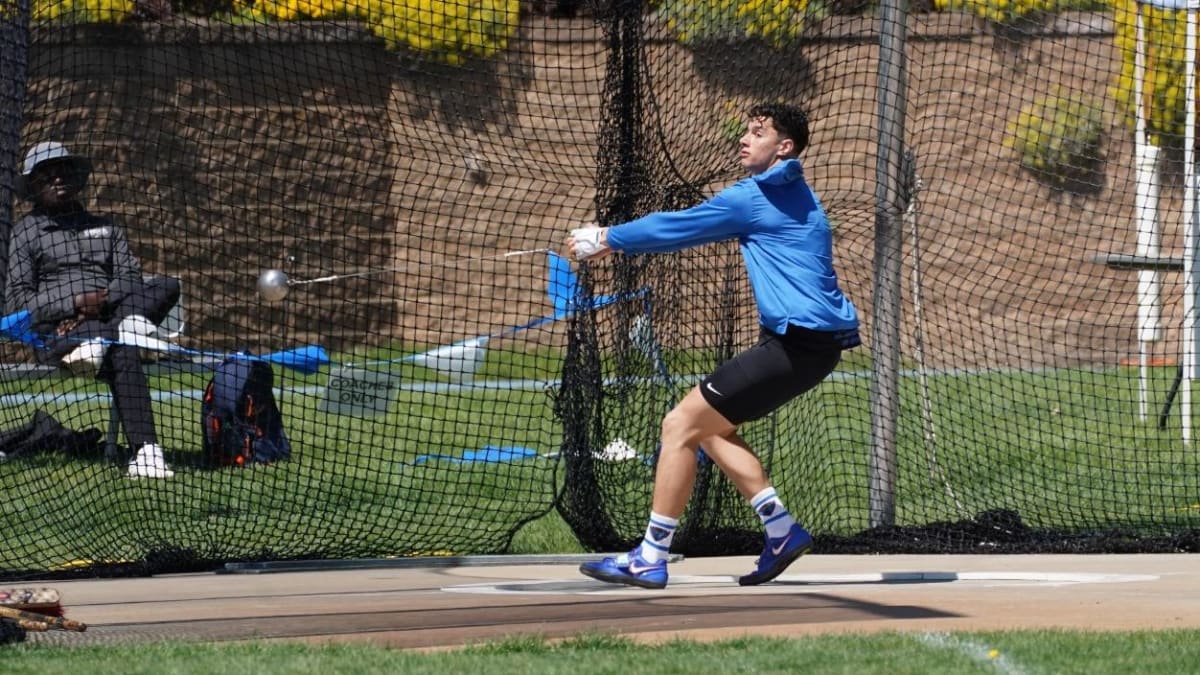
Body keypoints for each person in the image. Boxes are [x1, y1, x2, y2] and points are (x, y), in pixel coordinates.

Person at [566, 103, 860, 589]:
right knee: (711, 430)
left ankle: (650, 556)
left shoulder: (755, 197)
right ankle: (781, 531)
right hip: (812, 350)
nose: (745, 139)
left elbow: (678, 227)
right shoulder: (795, 191)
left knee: (679, 425)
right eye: (747, 131)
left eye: (758, 133)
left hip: (795, 346)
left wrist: (606, 238)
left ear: (784, 147)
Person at [5, 141, 181, 479]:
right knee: (123, 350)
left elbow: (129, 276)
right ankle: (146, 451)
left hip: (108, 314)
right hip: (59, 332)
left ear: (76, 179)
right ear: (34, 185)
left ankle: (122, 329)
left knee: (167, 285)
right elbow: (17, 302)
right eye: (47, 174)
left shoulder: (106, 226)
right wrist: (74, 304)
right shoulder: (24, 235)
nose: (58, 179)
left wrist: (98, 303)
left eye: (64, 171)